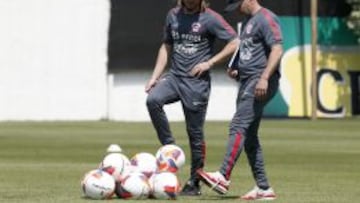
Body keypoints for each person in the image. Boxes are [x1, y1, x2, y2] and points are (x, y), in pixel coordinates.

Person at [145, 0, 239, 196]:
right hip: (174, 78)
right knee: (153, 100)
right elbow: (166, 46)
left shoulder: (211, 18)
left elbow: (235, 41)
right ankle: (170, 148)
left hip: (196, 84)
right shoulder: (173, 15)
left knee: (194, 133)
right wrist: (154, 77)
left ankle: (194, 182)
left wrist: (209, 63)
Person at [197, 0, 283, 201]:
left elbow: (277, 49)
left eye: (238, 5)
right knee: (250, 136)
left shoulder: (267, 18)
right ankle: (263, 188)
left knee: (238, 125)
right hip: (247, 80)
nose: (236, 10)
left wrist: (263, 78)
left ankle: (223, 176)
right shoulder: (249, 21)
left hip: (259, 81)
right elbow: (250, 51)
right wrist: (237, 68)